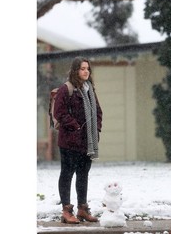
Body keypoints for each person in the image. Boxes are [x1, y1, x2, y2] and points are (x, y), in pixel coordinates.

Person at [53, 56, 103, 224]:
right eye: (82, 68)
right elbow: (59, 113)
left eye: (88, 68)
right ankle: (66, 211)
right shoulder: (66, 89)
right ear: (75, 71)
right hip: (69, 141)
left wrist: (96, 129)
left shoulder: (90, 89)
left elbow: (98, 112)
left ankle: (83, 208)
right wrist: (76, 127)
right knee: (67, 174)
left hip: (87, 141)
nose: (86, 71)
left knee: (83, 175)